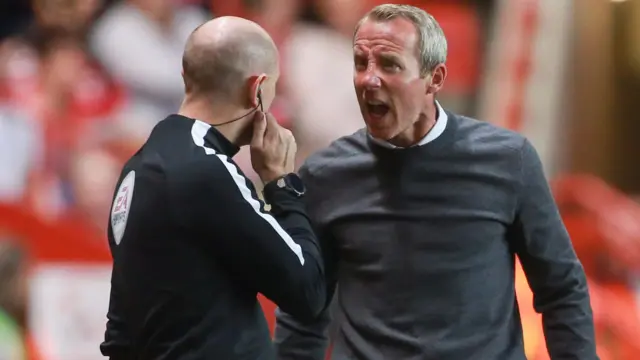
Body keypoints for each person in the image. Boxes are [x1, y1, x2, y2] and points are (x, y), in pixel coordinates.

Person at [273, 4, 598, 360]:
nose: (369, 79)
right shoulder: (325, 174)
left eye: (389, 64)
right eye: (360, 63)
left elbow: (561, 289)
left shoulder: (508, 161)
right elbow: (304, 313)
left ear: (435, 78)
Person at [100, 16, 326, 360]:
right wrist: (281, 183)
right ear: (257, 90)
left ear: (186, 77)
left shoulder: (136, 169)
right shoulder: (206, 169)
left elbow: (119, 333)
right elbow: (307, 289)